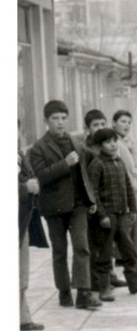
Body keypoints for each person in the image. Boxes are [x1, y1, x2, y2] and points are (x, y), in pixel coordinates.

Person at [28, 100, 101, 310]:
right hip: (54, 208)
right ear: (46, 121)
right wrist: (64, 164)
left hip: (78, 205)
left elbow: (87, 165)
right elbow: (40, 177)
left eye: (63, 118)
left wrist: (91, 199)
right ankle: (64, 291)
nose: (60, 123)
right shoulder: (37, 148)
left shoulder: (75, 141)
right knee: (59, 250)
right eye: (55, 119)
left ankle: (84, 293)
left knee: (82, 247)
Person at [88, 128, 137, 297]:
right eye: (108, 142)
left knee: (128, 250)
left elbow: (128, 187)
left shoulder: (119, 162)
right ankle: (104, 287)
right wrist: (102, 215)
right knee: (105, 252)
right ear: (99, 146)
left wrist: (132, 209)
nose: (113, 145)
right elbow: (94, 193)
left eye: (115, 141)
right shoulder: (97, 165)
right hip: (107, 217)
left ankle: (136, 284)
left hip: (122, 215)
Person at [79, 109, 129, 293]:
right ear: (87, 128)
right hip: (94, 205)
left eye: (102, 123)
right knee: (97, 246)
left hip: (113, 204)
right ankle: (98, 282)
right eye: (95, 125)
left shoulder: (111, 145)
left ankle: (110, 277)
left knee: (109, 244)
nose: (99, 127)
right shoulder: (87, 150)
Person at [19, 120, 48, 331]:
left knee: (22, 273)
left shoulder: (19, 155)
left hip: (23, 220)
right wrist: (23, 188)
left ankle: (22, 318)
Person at [112, 109, 137, 264]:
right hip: (125, 185)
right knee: (128, 222)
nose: (126, 125)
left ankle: (136, 252)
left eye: (129, 122)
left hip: (134, 185)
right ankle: (124, 256)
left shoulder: (126, 141)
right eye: (122, 121)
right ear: (114, 123)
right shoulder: (115, 142)